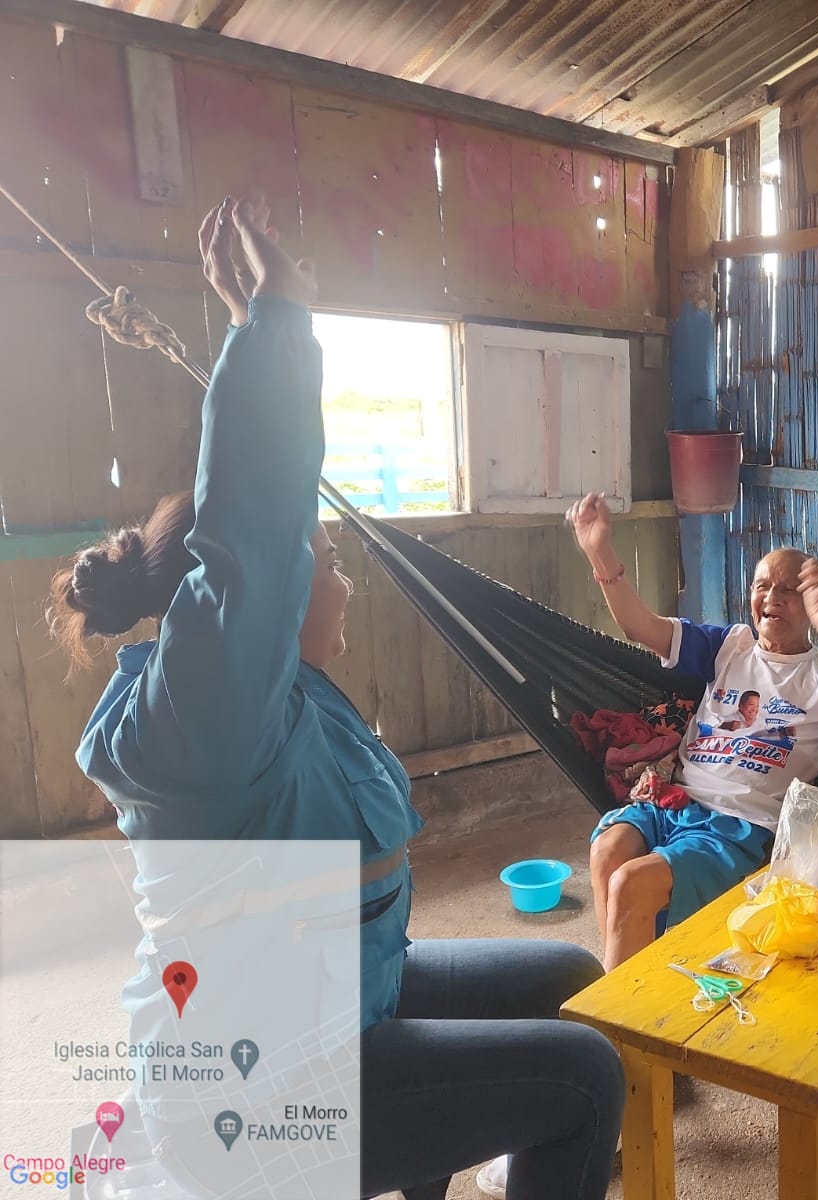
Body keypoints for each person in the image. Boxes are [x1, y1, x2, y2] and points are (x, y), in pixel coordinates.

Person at [48, 197, 623, 1200]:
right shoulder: (203, 719)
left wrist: (253, 327)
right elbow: (252, 535)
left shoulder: (278, 701)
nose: (344, 582)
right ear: (262, 603)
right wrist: (277, 321)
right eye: (328, 561)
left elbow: (263, 528)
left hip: (334, 991)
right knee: (581, 1076)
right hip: (256, 1087)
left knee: (569, 983)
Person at [565, 494, 818, 972]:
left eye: (788, 589)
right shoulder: (729, 646)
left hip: (742, 827)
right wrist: (600, 553)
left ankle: (615, 1009)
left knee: (631, 883)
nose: (771, 597)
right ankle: (629, 981)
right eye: (762, 586)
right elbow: (640, 627)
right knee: (607, 853)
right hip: (674, 803)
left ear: (813, 604)